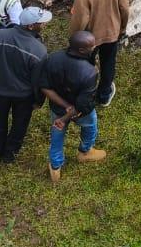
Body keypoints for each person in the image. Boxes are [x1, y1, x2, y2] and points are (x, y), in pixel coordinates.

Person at [0, 6, 50, 167]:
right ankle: (10, 154)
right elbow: (38, 81)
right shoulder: (39, 51)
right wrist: (39, 101)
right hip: (23, 97)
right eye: (41, 22)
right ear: (31, 26)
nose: (44, 24)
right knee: (20, 124)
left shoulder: (0, 35)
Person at [40, 31, 103, 182]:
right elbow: (82, 104)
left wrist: (63, 110)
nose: (95, 46)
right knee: (90, 125)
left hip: (57, 106)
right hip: (79, 111)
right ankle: (85, 152)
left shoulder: (53, 58)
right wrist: (67, 115)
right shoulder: (89, 73)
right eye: (92, 45)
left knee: (57, 133)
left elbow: (44, 86)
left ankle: (55, 167)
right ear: (81, 50)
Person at [69, 0, 130, 108]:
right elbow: (124, 9)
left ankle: (84, 92)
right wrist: (122, 29)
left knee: (86, 64)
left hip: (91, 38)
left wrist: (74, 40)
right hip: (112, 33)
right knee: (108, 63)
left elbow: (80, 19)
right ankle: (103, 96)